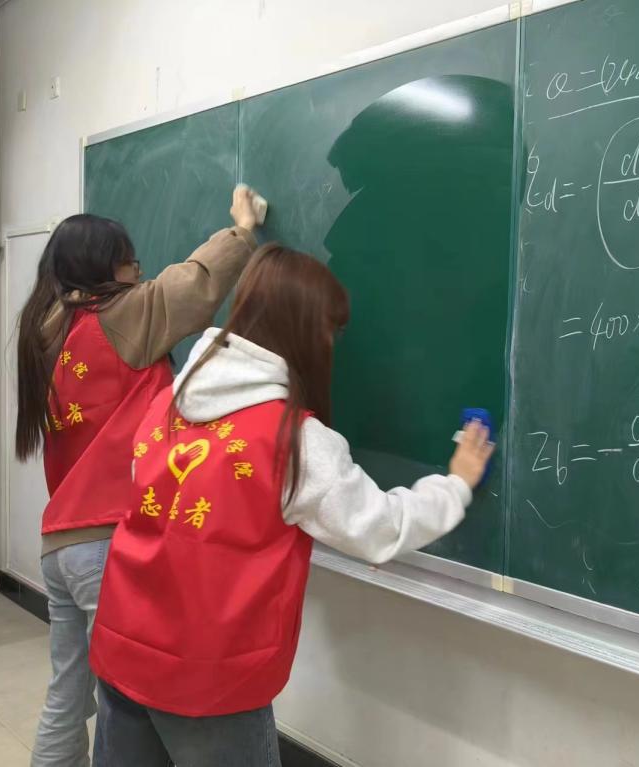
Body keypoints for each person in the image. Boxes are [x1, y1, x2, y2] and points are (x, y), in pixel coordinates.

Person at [88, 243, 494, 767]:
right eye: (331, 332)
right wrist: (457, 484)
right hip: (208, 679)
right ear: (307, 332)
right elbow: (381, 528)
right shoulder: (292, 439)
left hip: (123, 644)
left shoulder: (166, 403)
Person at [14, 186, 263, 767]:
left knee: (67, 696)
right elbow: (195, 284)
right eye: (129, 262)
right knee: (128, 705)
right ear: (102, 268)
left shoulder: (46, 332)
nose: (140, 271)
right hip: (109, 546)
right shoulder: (121, 317)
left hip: (60, 545)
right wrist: (242, 230)